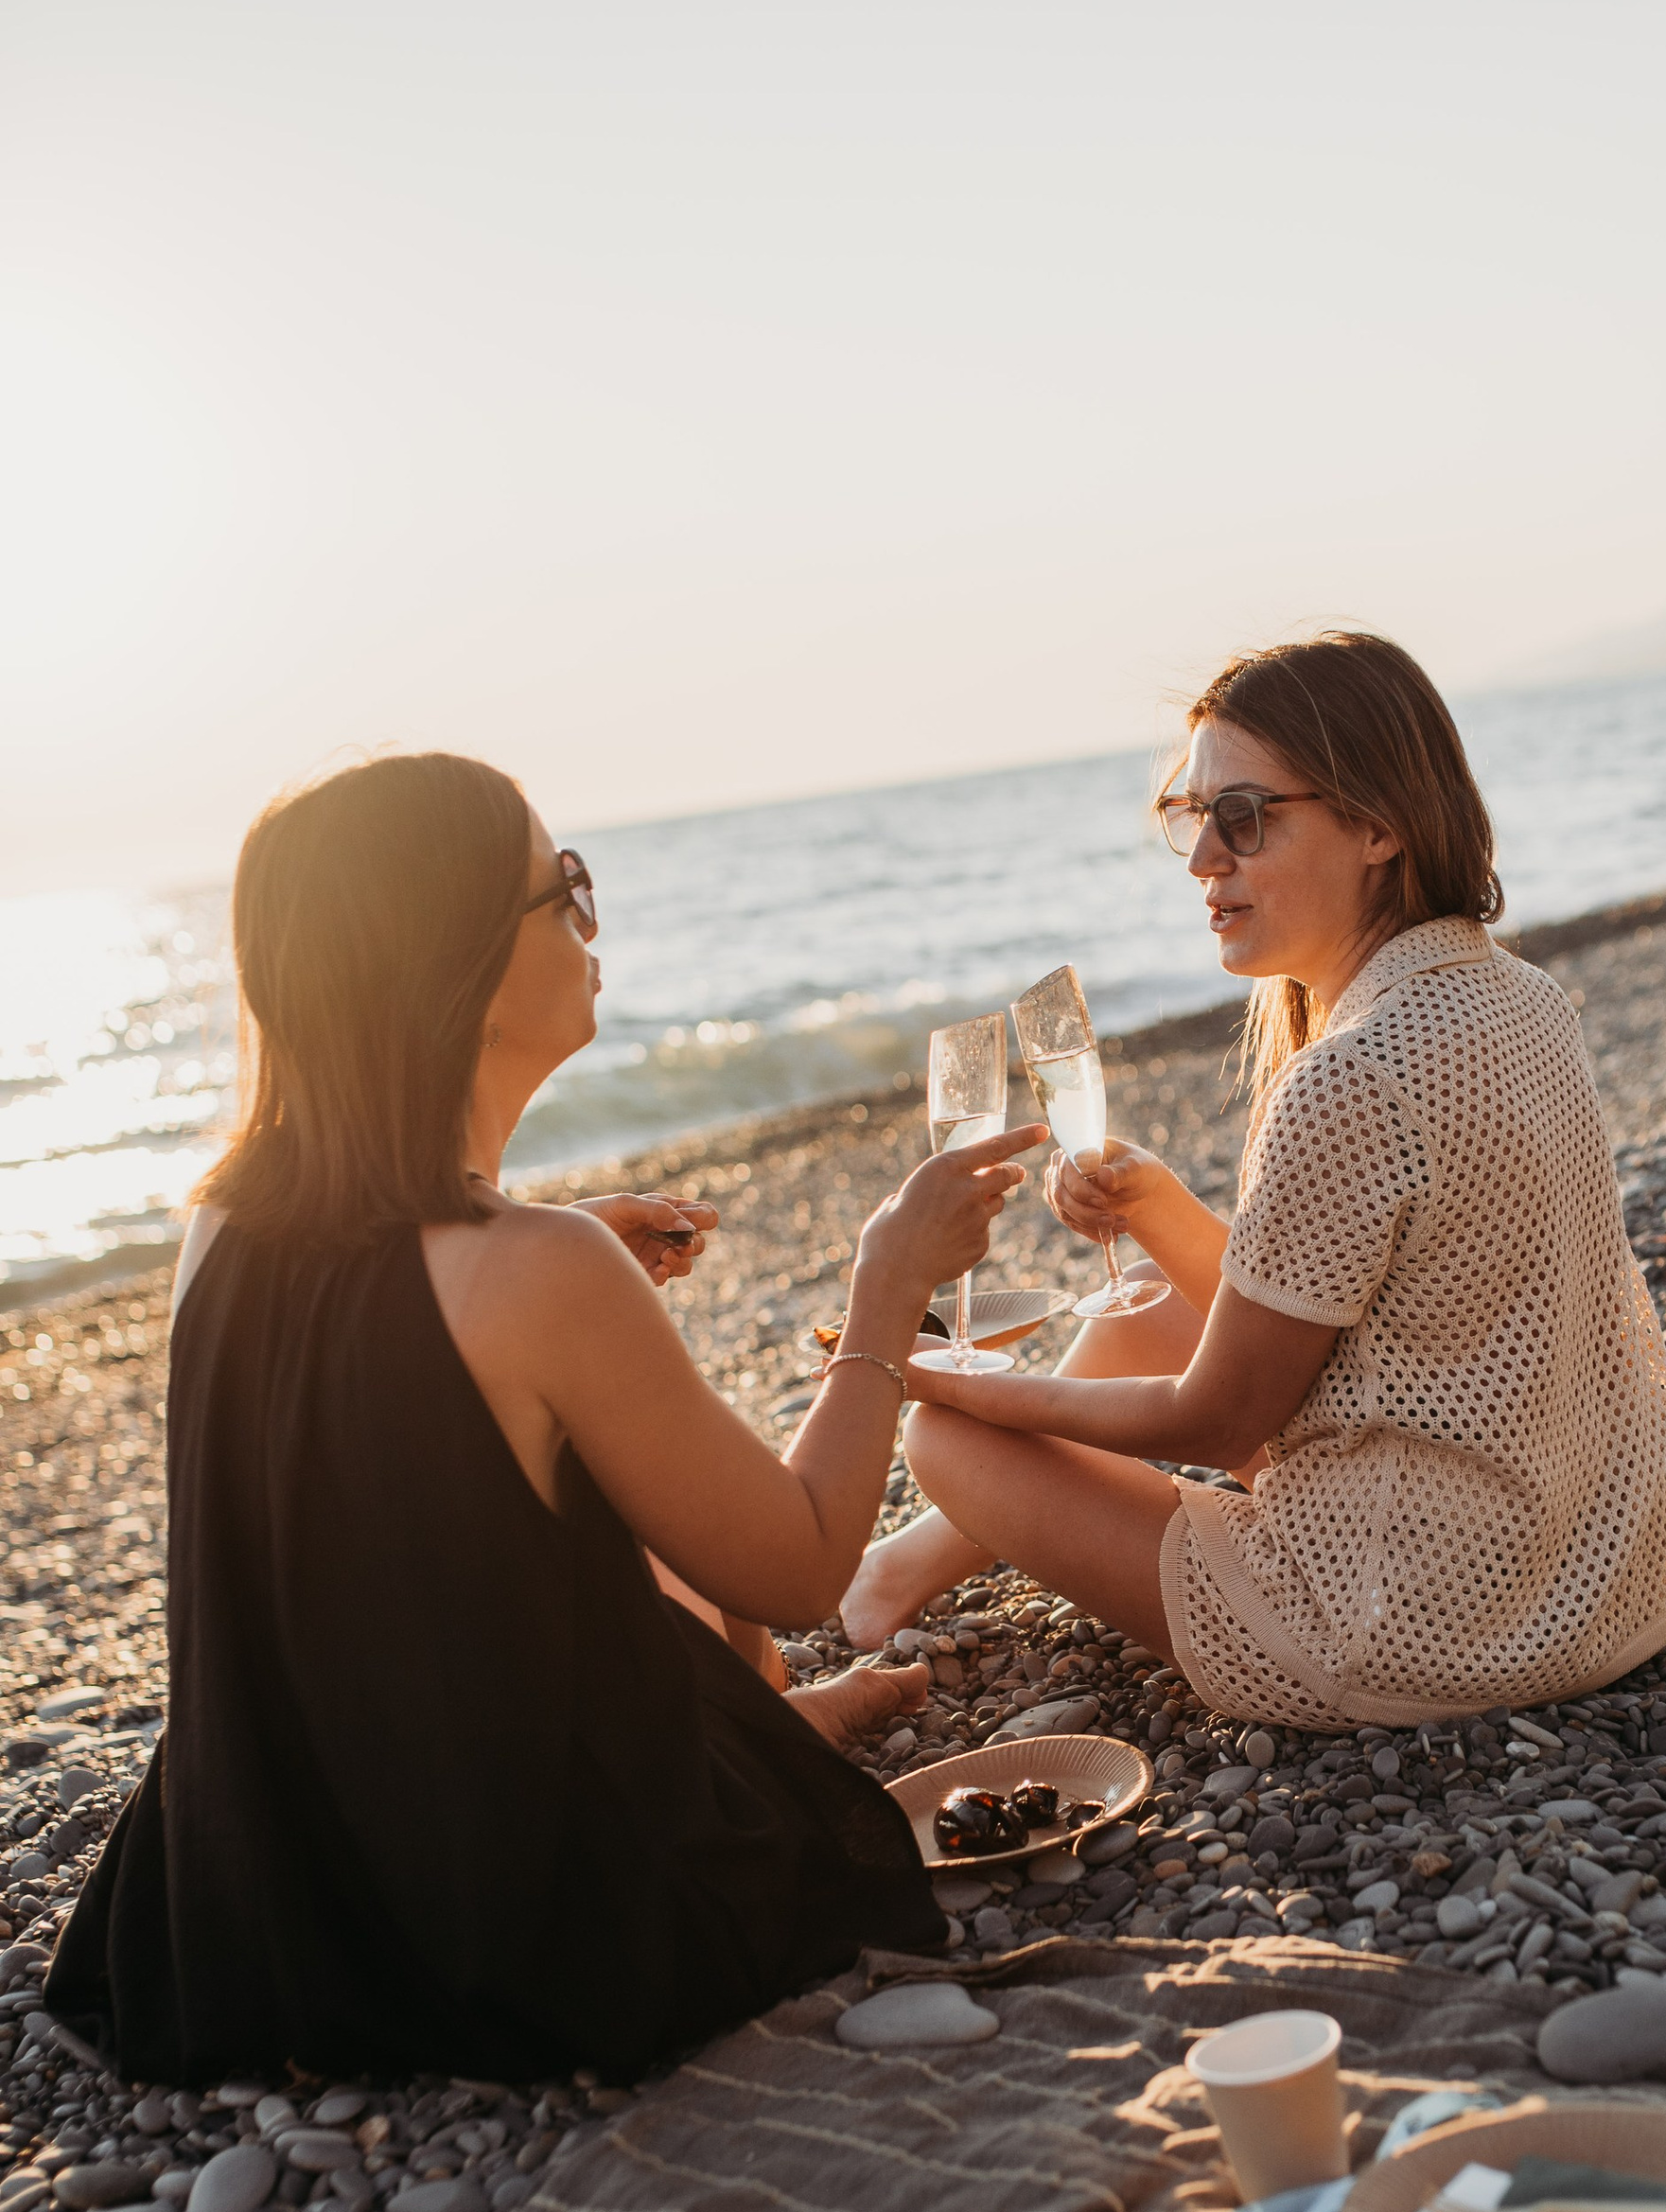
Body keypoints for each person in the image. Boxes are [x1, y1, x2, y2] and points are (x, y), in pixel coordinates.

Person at [46, 751, 1040, 2086]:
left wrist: (549, 1260)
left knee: (602, 1515)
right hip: (519, 1929)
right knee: (703, 1569)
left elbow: (372, 1460)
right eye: (561, 884)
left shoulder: (224, 1223)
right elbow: (803, 1568)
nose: (588, 915)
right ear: (453, 960)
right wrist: (888, 1288)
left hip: (272, 1900)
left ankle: (789, 1723)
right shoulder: (534, 1272)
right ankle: (785, 1735)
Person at [845, 630, 1666, 1729]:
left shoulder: (1353, 1073)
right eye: (1192, 815)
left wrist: (949, 1383)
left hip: (1407, 1632)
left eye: (1243, 817)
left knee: (946, 1441)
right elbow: (1351, 1321)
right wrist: (1156, 1205)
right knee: (1147, 1305)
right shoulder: (1518, 997)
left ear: (1377, 825)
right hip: (1601, 1585)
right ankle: (897, 1569)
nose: (1204, 857)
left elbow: (1218, 1416)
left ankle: (901, 1551)